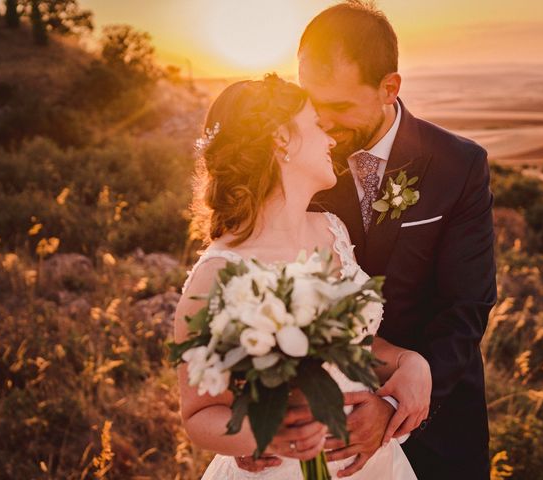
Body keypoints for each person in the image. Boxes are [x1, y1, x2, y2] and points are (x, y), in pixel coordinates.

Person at [238, 2, 497, 479]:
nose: (324, 121)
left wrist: (395, 401)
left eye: (337, 106)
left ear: (389, 88)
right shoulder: (300, 162)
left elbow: (467, 306)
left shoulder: (458, 166)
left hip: (437, 426)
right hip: (318, 435)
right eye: (312, 103)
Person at [174, 74, 419, 479]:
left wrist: (409, 363)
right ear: (282, 139)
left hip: (373, 464)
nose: (331, 139)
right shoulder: (218, 274)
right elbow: (199, 413)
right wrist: (270, 434)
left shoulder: (331, 229)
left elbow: (352, 345)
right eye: (317, 126)